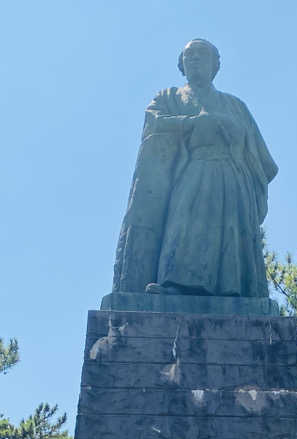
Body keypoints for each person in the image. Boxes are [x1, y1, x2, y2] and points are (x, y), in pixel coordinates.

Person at [112, 39, 277, 299]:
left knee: (229, 231)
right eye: (189, 56)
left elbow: (262, 160)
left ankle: (231, 289)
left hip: (232, 177)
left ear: (215, 65)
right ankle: (176, 284)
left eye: (202, 55)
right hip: (193, 169)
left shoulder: (235, 106)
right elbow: (155, 122)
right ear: (182, 65)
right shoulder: (168, 97)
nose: (195, 59)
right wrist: (194, 124)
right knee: (185, 223)